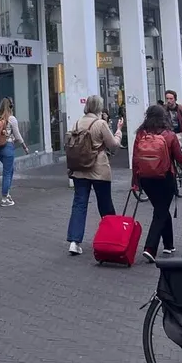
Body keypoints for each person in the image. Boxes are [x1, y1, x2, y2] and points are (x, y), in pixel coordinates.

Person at [65, 94, 120, 256]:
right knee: (105, 204)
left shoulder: (77, 123)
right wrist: (118, 131)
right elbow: (113, 145)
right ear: (99, 107)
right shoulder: (100, 123)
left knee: (79, 204)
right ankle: (112, 238)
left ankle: (74, 241)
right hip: (99, 169)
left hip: (80, 169)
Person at [131, 104, 182, 262]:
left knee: (161, 209)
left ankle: (168, 245)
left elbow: (135, 159)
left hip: (146, 179)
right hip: (165, 178)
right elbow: (180, 158)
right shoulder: (169, 135)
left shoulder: (141, 134)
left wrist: (135, 181)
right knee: (161, 211)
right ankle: (150, 247)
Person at [0, 97, 29, 207]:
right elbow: (18, 135)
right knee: (7, 172)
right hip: (8, 148)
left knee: (10, 170)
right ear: (11, 106)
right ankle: (4, 198)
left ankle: (7, 194)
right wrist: (24, 147)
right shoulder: (11, 119)